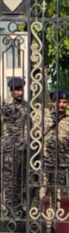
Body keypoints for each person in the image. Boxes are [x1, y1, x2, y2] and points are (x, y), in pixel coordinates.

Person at [40, 89, 69, 206]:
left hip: (61, 164)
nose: (61, 104)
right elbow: (35, 135)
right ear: (53, 102)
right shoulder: (45, 116)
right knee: (41, 191)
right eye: (59, 101)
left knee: (57, 193)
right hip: (45, 161)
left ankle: (55, 216)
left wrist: (66, 158)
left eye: (64, 102)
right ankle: (37, 216)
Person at [0, 77, 28, 218]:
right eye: (17, 90)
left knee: (20, 180)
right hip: (10, 149)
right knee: (10, 181)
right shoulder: (6, 105)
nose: (20, 92)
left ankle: (17, 209)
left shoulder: (26, 105)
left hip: (23, 148)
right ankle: (9, 211)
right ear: (11, 91)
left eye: (21, 89)